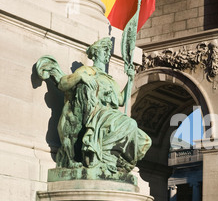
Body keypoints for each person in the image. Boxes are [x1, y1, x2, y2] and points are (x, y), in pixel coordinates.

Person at [37, 37, 151, 174]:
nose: (108, 54)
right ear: (96, 53)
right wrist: (80, 77)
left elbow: (120, 100)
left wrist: (130, 81)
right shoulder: (86, 71)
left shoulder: (110, 79)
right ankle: (104, 158)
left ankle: (112, 159)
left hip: (109, 114)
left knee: (144, 140)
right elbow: (62, 84)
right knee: (130, 124)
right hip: (95, 114)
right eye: (105, 51)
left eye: (108, 52)